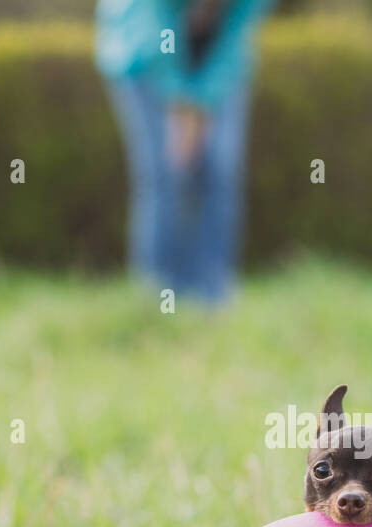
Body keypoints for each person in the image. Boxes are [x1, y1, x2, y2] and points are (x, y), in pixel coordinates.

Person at [95, 0, 274, 306]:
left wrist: (203, 100)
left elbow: (233, 38)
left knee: (220, 167)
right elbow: (157, 34)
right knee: (165, 172)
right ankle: (159, 293)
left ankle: (212, 292)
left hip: (216, 64)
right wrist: (179, 101)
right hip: (144, 58)